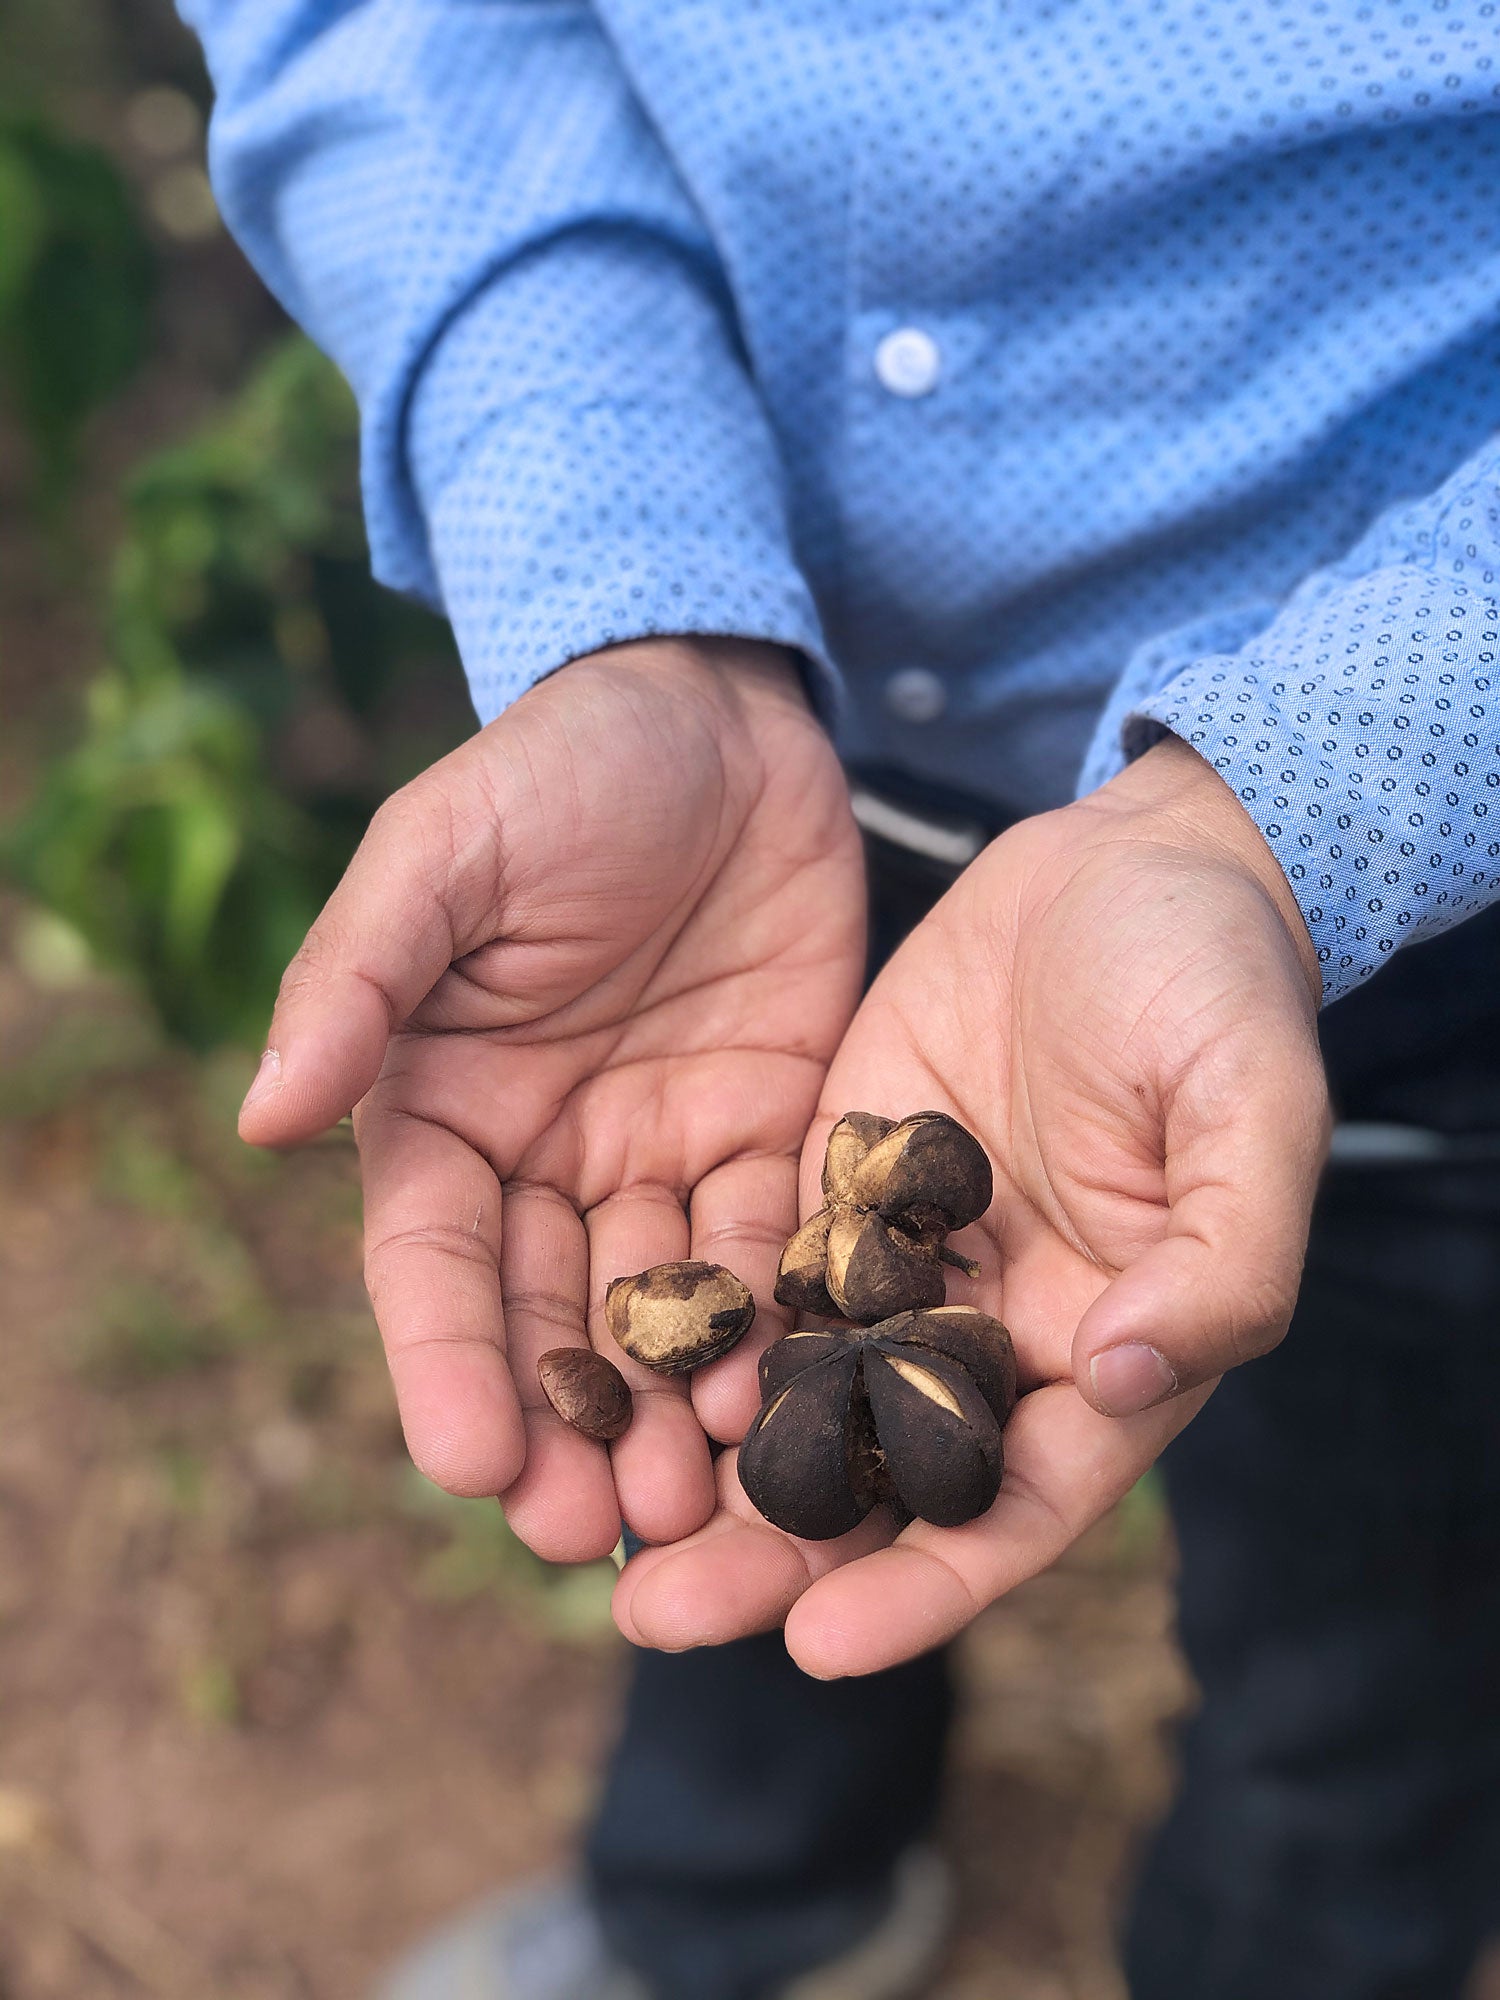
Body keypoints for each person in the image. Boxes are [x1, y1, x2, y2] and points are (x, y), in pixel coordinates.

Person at [177, 4, 1500, 1996]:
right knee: (731, 1515)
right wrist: (631, 589)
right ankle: (740, 1910)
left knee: (1378, 1636)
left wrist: (1285, 803)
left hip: (1431, 879)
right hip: (751, 816)